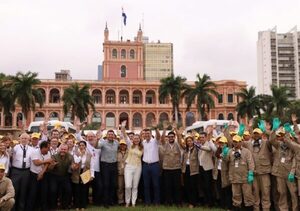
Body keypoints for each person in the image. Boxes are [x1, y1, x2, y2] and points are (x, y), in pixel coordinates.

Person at [243, 127, 272, 211]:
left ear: (261, 134)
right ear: (252, 134)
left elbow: (273, 140)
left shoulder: (266, 143)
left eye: (258, 133)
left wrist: (266, 131)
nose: (256, 135)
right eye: (255, 133)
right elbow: (237, 142)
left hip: (264, 174)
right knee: (255, 194)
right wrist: (241, 133)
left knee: (266, 193)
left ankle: (266, 209)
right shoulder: (248, 144)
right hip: (254, 174)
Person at [223, 135, 255, 211]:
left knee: (248, 196)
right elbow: (226, 161)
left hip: (245, 178)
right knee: (236, 196)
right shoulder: (230, 151)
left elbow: (251, 163)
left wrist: (251, 173)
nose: (235, 143)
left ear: (241, 142)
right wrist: (224, 154)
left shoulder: (246, 151)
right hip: (234, 178)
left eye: (237, 142)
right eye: (234, 141)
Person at [269, 128, 298, 211]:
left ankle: (295, 209)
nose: (280, 137)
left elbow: (294, 162)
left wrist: (292, 173)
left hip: (289, 175)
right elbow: (271, 140)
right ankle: (283, 209)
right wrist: (273, 130)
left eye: (282, 135)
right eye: (279, 136)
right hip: (280, 174)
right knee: (282, 193)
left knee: (293, 194)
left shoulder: (293, 148)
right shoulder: (278, 146)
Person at [160, 122, 183, 206]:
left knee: (177, 187)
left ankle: (178, 202)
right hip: (167, 169)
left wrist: (176, 129)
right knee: (167, 187)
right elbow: (162, 139)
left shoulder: (178, 145)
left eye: (172, 137)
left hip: (176, 168)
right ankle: (168, 202)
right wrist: (165, 129)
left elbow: (180, 138)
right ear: (168, 138)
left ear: (174, 137)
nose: (171, 138)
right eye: (169, 137)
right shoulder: (165, 145)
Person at [10, 133, 34, 211]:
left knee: (23, 191)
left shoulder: (31, 149)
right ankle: (13, 208)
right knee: (14, 190)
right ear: (19, 139)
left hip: (26, 172)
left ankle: (21, 209)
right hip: (16, 171)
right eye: (22, 138)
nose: (24, 140)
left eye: (25, 138)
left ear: (28, 140)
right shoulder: (14, 148)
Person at [26, 141, 52, 211]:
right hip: (33, 175)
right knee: (33, 193)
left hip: (43, 174)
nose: (49, 149)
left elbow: (47, 164)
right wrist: (46, 160)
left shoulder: (48, 153)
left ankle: (43, 208)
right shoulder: (34, 152)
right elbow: (36, 163)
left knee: (44, 192)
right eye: (48, 148)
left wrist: (42, 173)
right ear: (43, 148)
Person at [97, 129, 119, 208]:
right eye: (109, 134)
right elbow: (97, 146)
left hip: (114, 165)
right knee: (106, 184)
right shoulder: (103, 142)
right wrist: (98, 136)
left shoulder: (117, 143)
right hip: (105, 165)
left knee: (113, 184)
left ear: (114, 136)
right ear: (107, 135)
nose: (110, 136)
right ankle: (105, 202)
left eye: (112, 134)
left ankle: (111, 200)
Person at [48, 143, 73, 210]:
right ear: (59, 149)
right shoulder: (54, 156)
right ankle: (53, 206)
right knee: (53, 190)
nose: (63, 150)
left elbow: (71, 168)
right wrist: (52, 165)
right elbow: (49, 169)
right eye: (62, 149)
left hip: (65, 176)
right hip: (54, 176)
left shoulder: (70, 157)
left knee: (68, 190)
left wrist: (72, 168)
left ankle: (65, 205)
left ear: (67, 150)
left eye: (65, 149)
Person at [195, 130, 217, 207]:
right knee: (203, 186)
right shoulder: (199, 144)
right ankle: (206, 202)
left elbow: (212, 149)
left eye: (202, 137)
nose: (201, 139)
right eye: (200, 137)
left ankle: (211, 203)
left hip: (208, 168)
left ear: (205, 137)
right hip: (201, 168)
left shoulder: (209, 144)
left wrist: (209, 140)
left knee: (208, 187)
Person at [141, 126, 161, 205]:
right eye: (145, 134)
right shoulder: (143, 142)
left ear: (151, 134)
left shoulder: (155, 141)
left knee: (156, 184)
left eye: (148, 133)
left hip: (154, 165)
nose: (146, 135)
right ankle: (147, 202)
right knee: (146, 185)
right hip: (145, 166)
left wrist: (156, 128)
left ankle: (156, 201)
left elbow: (158, 136)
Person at [71, 141, 92, 211]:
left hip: (86, 172)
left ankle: (83, 205)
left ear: (85, 146)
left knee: (84, 190)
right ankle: (77, 205)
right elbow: (76, 161)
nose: (81, 147)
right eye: (80, 145)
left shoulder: (89, 154)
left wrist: (92, 175)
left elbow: (92, 165)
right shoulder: (75, 154)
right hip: (77, 173)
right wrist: (81, 155)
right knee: (77, 190)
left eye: (83, 145)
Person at [124, 134, 143, 207]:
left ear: (139, 139)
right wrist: (122, 126)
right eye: (135, 138)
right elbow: (125, 137)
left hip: (138, 167)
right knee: (128, 186)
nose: (136, 140)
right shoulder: (130, 145)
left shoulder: (142, 147)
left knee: (135, 186)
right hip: (128, 166)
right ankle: (127, 201)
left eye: (138, 138)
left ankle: (133, 202)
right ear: (133, 139)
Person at [182, 135, 199, 208]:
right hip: (186, 169)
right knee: (187, 186)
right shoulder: (186, 150)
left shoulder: (196, 149)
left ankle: (193, 203)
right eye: (187, 141)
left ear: (193, 141)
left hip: (194, 170)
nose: (189, 142)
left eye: (190, 141)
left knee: (193, 187)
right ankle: (189, 201)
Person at [117, 140, 128, 205]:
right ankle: (120, 200)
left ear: (126, 145)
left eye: (124, 144)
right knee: (120, 187)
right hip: (120, 172)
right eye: (121, 144)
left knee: (127, 187)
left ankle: (127, 200)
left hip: (128, 172)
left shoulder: (129, 152)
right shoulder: (116, 152)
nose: (122, 146)